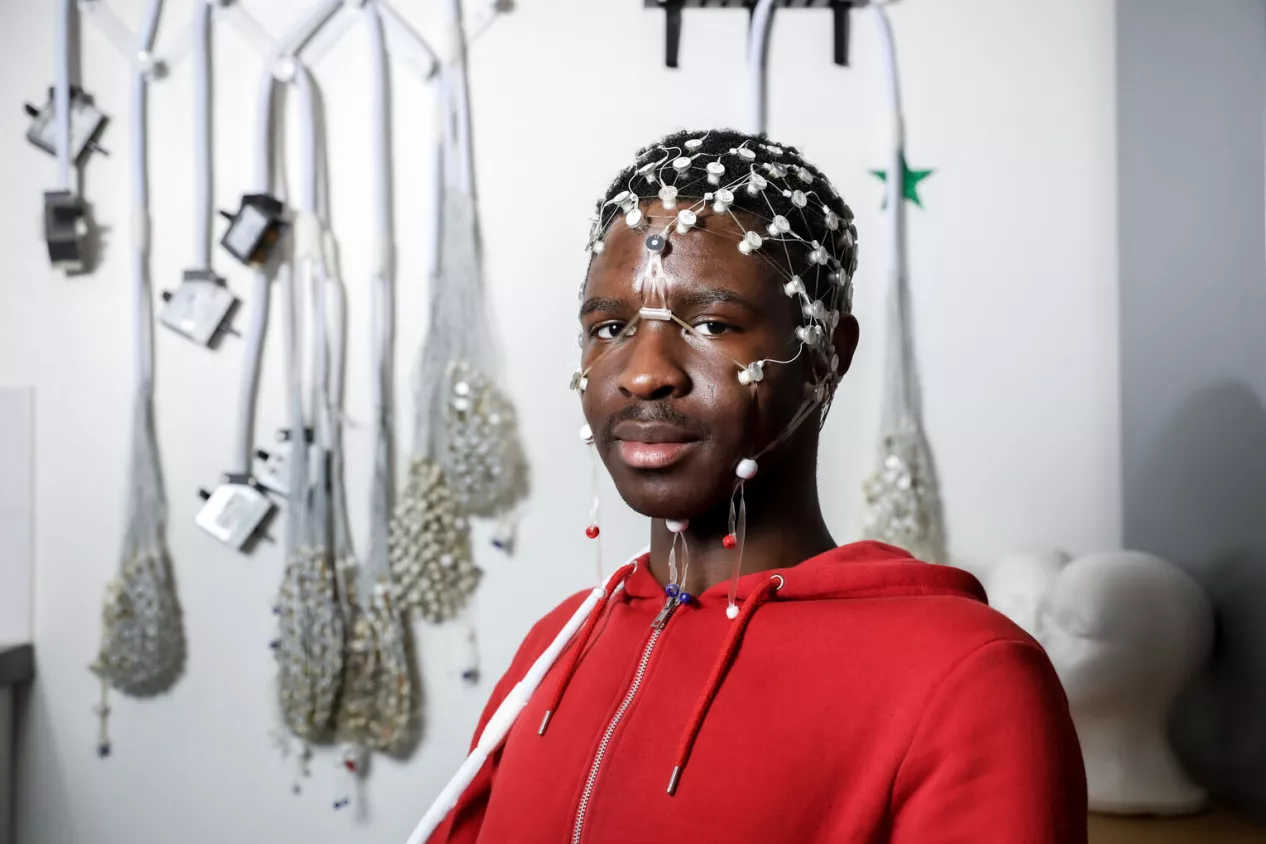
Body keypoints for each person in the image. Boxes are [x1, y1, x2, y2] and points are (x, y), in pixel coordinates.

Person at [424, 128, 1087, 843]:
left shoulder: (967, 678)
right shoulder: (556, 648)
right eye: (610, 326)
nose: (644, 372)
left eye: (711, 323)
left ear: (829, 355)